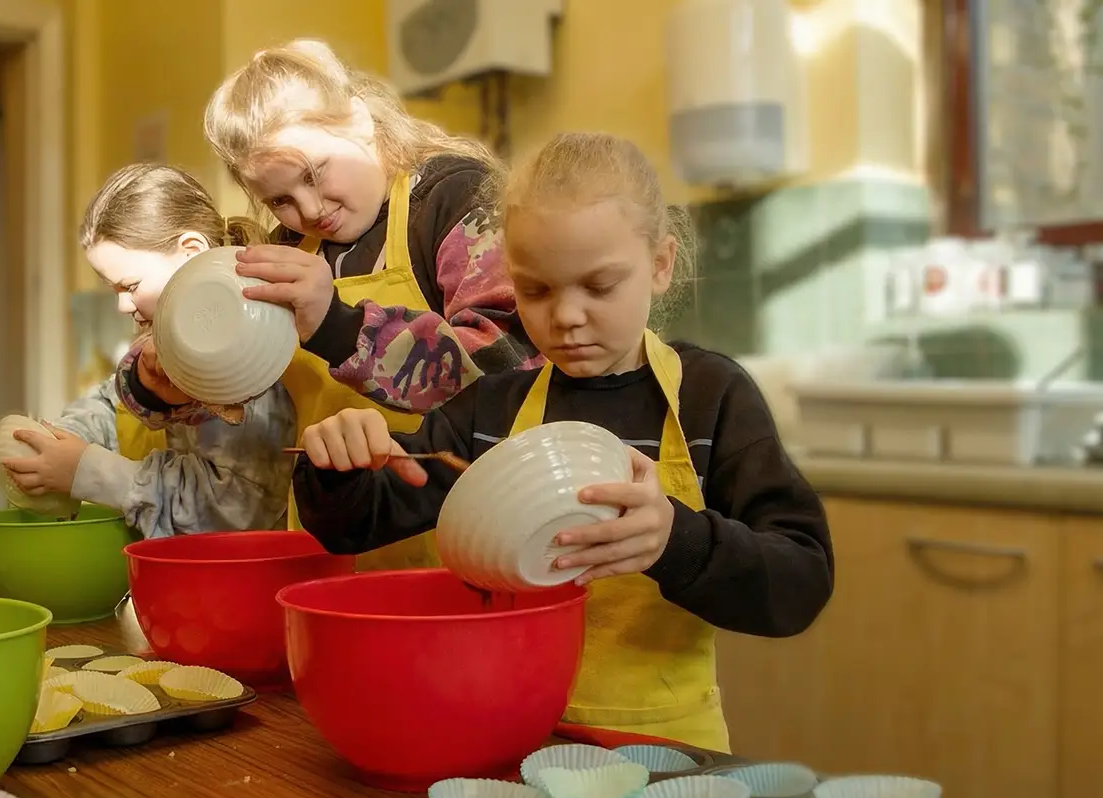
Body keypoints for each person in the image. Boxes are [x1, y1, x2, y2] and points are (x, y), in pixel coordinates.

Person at [289, 132, 834, 751]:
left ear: (660, 265)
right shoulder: (492, 407)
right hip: (507, 736)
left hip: (664, 754)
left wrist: (674, 539)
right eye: (537, 290)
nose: (566, 317)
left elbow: (799, 584)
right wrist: (337, 466)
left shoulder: (710, 399)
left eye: (598, 287)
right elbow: (356, 524)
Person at [114, 38, 542, 569]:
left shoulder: (454, 201)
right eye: (279, 199)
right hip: (335, 543)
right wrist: (162, 376)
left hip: (466, 540)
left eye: (315, 173)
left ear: (360, 121)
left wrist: (337, 327)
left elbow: (508, 372)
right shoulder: (290, 250)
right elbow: (236, 392)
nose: (310, 209)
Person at [0, 163, 295, 538]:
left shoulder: (248, 348)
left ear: (190, 252)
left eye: (131, 285)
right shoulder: (160, 340)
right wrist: (57, 440)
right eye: (113, 290)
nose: (123, 306)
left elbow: (234, 510)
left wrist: (87, 472)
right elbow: (112, 406)